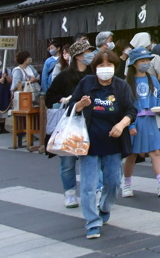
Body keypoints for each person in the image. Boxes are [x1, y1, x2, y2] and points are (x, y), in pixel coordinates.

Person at [70, 50, 137, 240]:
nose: (105, 69)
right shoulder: (87, 83)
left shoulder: (121, 86)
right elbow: (71, 105)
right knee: (89, 185)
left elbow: (131, 109)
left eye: (109, 65)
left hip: (113, 142)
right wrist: (79, 106)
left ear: (115, 67)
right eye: (101, 66)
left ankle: (105, 207)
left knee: (113, 182)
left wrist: (121, 124)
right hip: (88, 143)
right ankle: (92, 222)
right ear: (95, 68)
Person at [121, 47, 160, 198]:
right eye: (142, 60)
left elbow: (159, 95)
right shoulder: (127, 83)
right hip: (135, 120)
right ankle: (126, 184)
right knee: (132, 155)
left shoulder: (152, 79)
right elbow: (126, 104)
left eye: (147, 60)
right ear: (134, 63)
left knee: (155, 151)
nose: (146, 63)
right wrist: (131, 125)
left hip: (151, 119)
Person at [45, 37, 94, 209]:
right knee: (68, 160)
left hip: (92, 120)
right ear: (78, 55)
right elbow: (49, 97)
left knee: (91, 158)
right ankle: (70, 193)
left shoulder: (94, 74)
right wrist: (63, 99)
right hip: (70, 122)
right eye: (87, 52)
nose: (90, 55)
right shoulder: (64, 76)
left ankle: (94, 190)